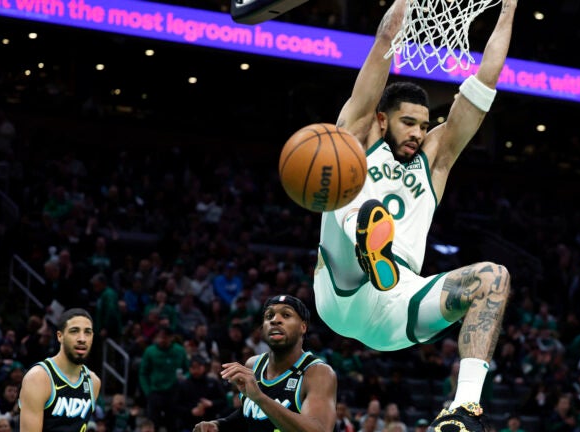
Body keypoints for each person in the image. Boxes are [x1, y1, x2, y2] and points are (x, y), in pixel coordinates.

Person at [314, 0, 518, 429]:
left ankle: (463, 410)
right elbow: (385, 40)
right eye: (409, 123)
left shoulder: (436, 160)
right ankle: (370, 247)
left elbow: (485, 82)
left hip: (399, 304)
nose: (419, 133)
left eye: (424, 126)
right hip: (341, 286)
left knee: (494, 277)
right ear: (383, 120)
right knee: (347, 186)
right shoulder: (358, 134)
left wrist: (508, 10)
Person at [192, 295, 337, 432]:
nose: (275, 320)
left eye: (286, 315)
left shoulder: (317, 372)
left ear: (303, 327)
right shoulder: (253, 364)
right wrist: (220, 425)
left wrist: (260, 398)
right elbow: (251, 414)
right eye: (269, 316)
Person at [18, 308, 102, 431]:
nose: (82, 339)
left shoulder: (93, 382)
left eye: (87, 332)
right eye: (74, 331)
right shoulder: (39, 378)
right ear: (60, 336)